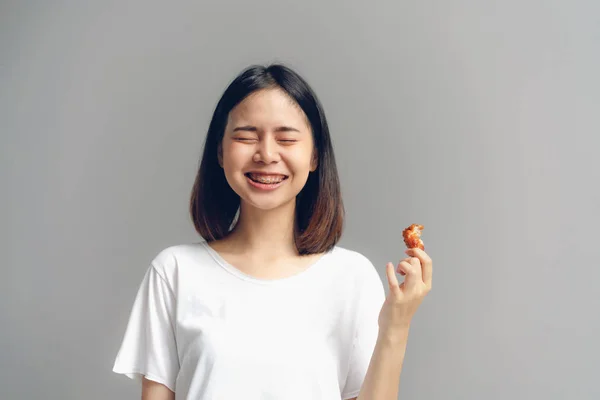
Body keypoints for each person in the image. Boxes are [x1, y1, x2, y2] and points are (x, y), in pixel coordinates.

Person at [112, 63, 433, 400]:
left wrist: (396, 325)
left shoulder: (353, 277)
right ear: (220, 152)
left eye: (286, 139)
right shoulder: (175, 272)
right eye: (246, 136)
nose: (266, 154)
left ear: (314, 156)